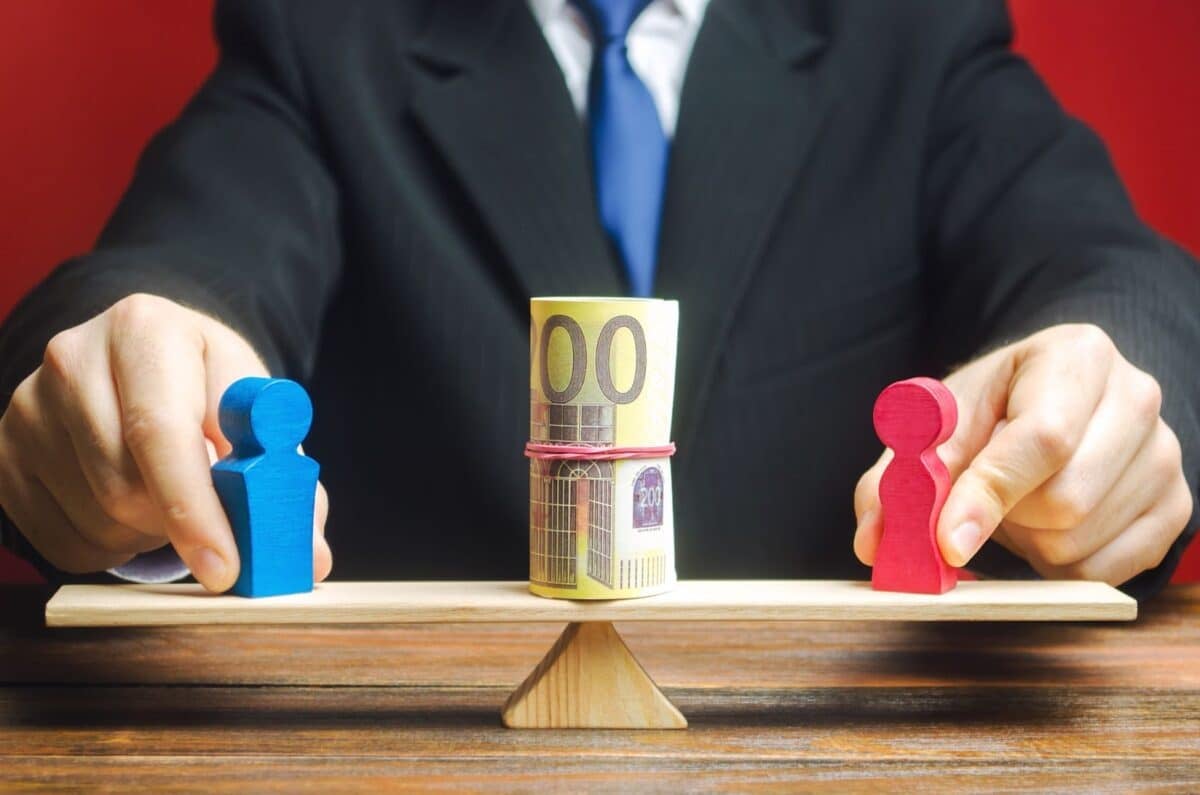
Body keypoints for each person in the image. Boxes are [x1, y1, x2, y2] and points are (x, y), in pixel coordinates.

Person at [0, 0, 1196, 599]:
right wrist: (125, 371)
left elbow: (1124, 279)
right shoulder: (328, 37)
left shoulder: (910, 37)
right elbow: (177, 264)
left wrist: (1106, 384)